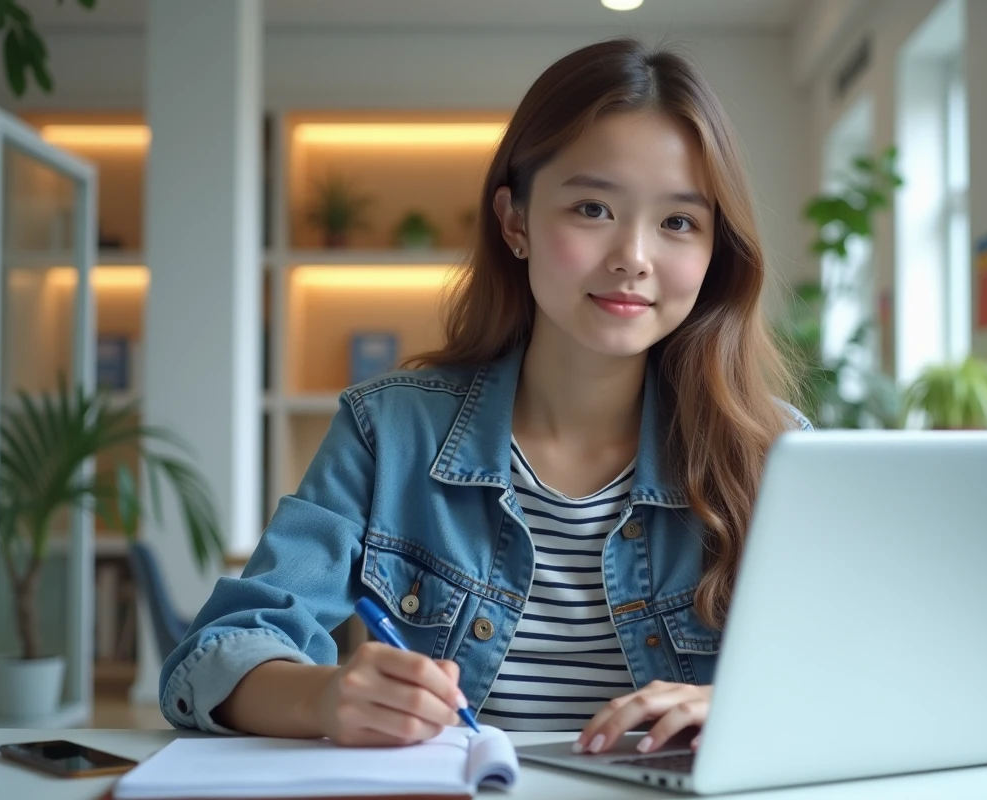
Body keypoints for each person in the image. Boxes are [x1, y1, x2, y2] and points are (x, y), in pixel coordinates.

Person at [159, 36, 811, 757]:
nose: (634, 256)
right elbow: (219, 651)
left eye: (678, 222)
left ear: (716, 249)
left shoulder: (774, 454)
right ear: (516, 222)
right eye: (592, 208)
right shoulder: (388, 431)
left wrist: (749, 707)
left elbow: (867, 669)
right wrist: (325, 694)